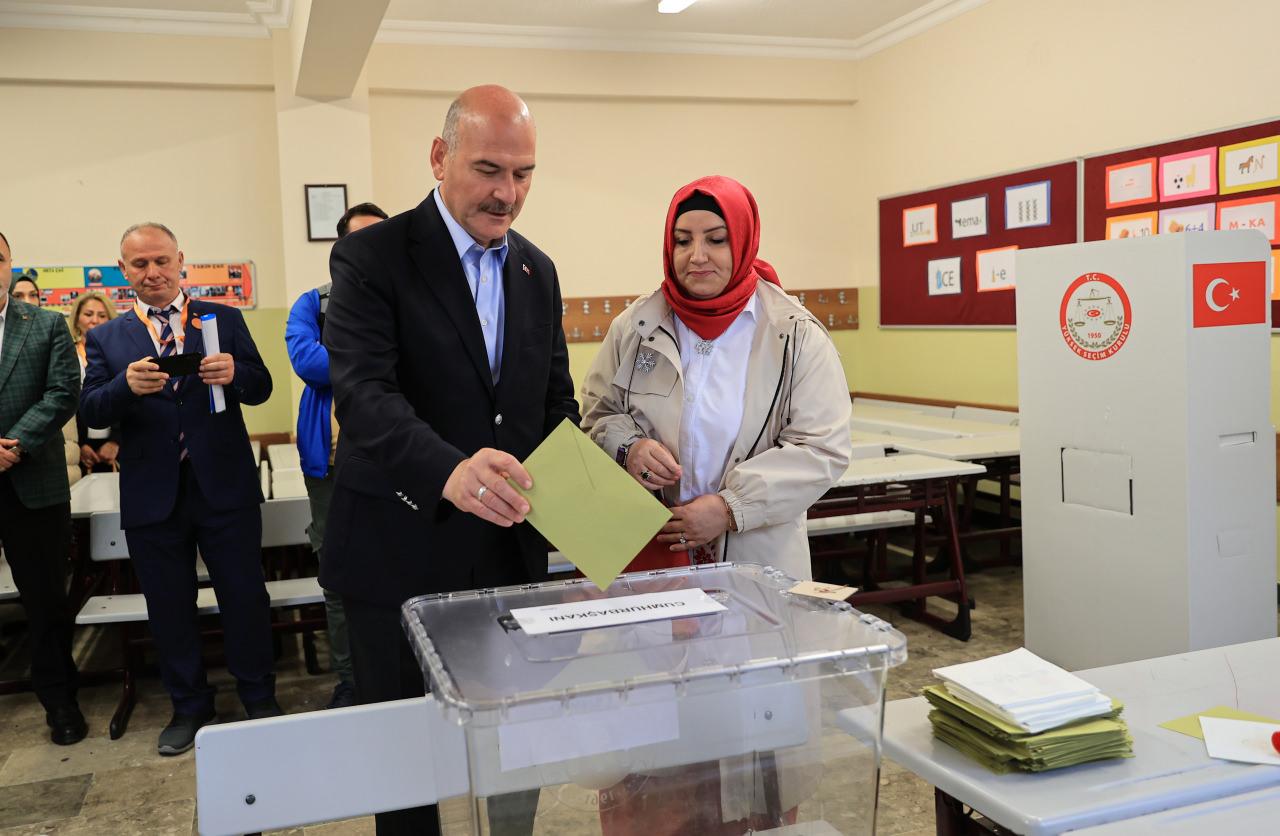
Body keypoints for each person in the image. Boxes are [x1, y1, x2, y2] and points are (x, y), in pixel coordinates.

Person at [322, 85, 577, 835]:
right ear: (440, 157)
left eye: (524, 174)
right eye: (489, 169)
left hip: (508, 556)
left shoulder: (539, 271)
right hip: (396, 550)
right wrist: (450, 471)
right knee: (407, 768)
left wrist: (596, 519)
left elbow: (554, 407)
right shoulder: (371, 258)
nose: (508, 194)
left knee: (512, 753)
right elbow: (364, 396)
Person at [581, 175, 852, 582]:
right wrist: (629, 448)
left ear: (742, 242)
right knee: (655, 643)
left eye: (716, 239)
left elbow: (822, 448)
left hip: (755, 556)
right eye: (683, 240)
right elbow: (597, 413)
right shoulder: (635, 328)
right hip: (649, 549)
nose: (697, 256)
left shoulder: (793, 334)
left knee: (750, 644)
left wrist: (729, 508)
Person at [80, 222, 280, 756]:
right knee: (169, 606)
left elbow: (261, 387)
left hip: (224, 485)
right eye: (140, 265)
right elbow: (91, 410)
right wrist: (124, 387)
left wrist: (236, 372)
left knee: (244, 596)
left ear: (180, 261)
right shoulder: (107, 337)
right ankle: (189, 706)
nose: (153, 273)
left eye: (161, 261)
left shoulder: (224, 319)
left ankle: (259, 699)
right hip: (151, 493)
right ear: (123, 271)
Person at [285, 201, 388, 710]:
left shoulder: (411, 300)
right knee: (339, 579)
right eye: (357, 240)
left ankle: (402, 674)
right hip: (329, 466)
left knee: (403, 572)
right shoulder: (313, 302)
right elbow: (307, 361)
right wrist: (377, 356)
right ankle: (349, 679)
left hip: (398, 463)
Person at [0, 230, 87, 745]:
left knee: (46, 603)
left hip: (32, 481)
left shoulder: (47, 325)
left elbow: (62, 393)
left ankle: (61, 702)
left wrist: (13, 444)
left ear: (10, 264)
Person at [68, 292, 121, 473]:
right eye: (88, 314)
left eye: (102, 315)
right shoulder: (65, 355)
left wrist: (116, 441)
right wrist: (80, 444)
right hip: (76, 446)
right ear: (76, 319)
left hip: (116, 445)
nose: (95, 320)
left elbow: (128, 398)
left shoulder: (119, 356)